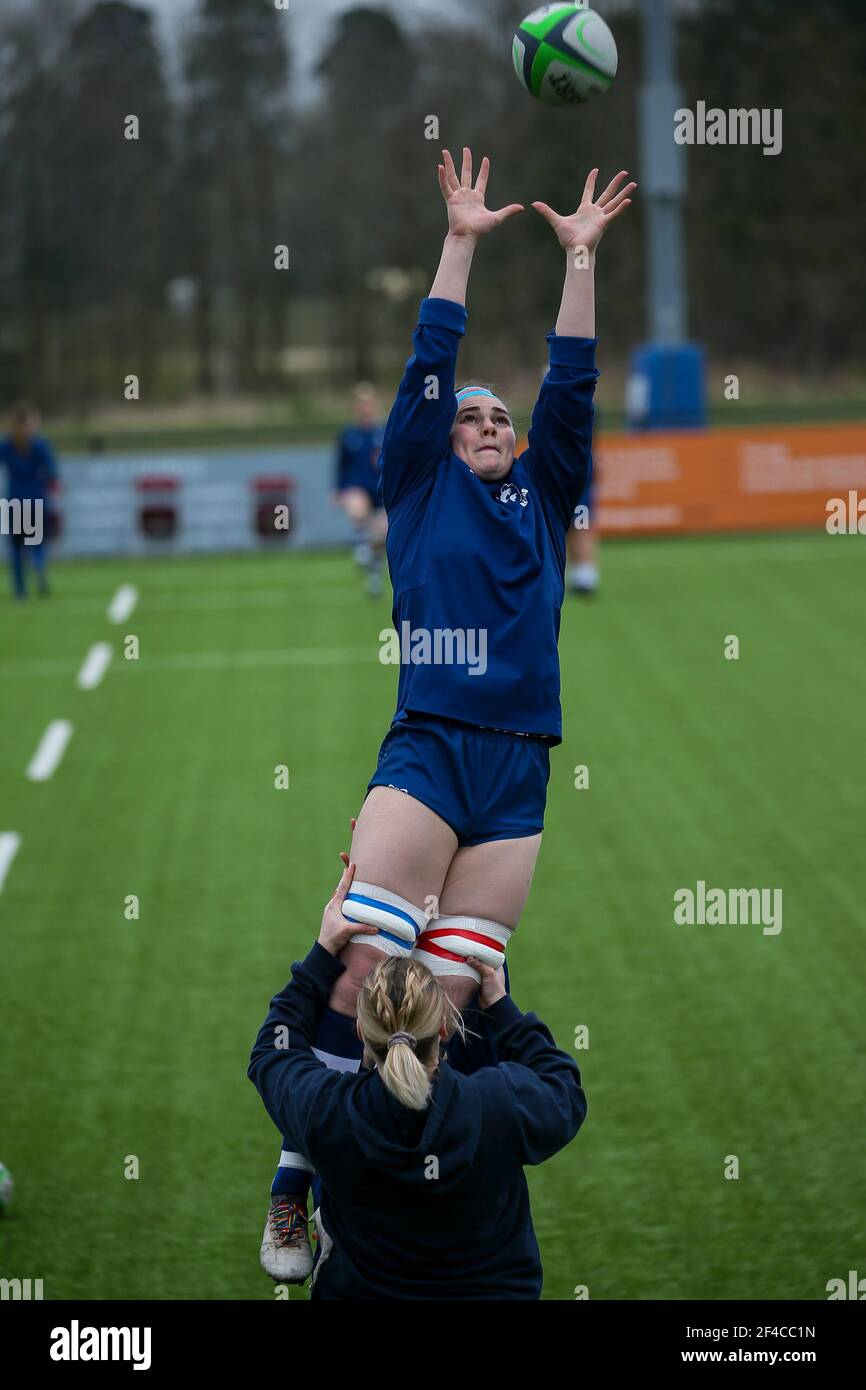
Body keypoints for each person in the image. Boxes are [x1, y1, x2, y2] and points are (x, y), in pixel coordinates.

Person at [261, 147, 634, 1280]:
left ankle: (429, 1210)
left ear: (515, 445)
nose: (481, 419)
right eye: (466, 411)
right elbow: (433, 356)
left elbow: (569, 377)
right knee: (363, 968)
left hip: (518, 768)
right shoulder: (419, 486)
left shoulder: (541, 491)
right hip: (427, 749)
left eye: (494, 418)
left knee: (456, 995)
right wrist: (462, 242)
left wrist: (576, 258)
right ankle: (294, 1187)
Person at [249, 859, 587, 1300]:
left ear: (359, 1032)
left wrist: (322, 955)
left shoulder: (329, 1114)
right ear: (445, 1031)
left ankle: (288, 1190)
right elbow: (564, 1089)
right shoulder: (499, 1106)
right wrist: (502, 1006)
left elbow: (273, 1052)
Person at [331, 383, 387, 597]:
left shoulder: (384, 432)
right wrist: (337, 490)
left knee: (379, 537)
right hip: (358, 489)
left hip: (382, 493)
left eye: (369, 403)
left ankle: (373, 578)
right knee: (356, 506)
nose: (365, 408)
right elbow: (341, 465)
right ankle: (361, 547)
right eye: (361, 403)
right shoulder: (348, 435)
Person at [0, 402, 59, 599]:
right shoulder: (39, 444)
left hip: (15, 502)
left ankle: (20, 590)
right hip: (36, 500)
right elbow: (52, 472)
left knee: (17, 548)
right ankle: (39, 566)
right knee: (38, 543)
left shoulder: (7, 445)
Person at [567, 414, 601, 596]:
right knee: (570, 526)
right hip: (570, 473)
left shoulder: (581, 407)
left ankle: (586, 574)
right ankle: (580, 573)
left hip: (577, 475)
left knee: (581, 523)